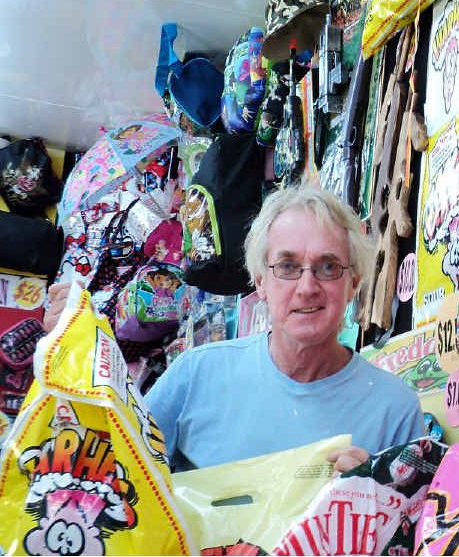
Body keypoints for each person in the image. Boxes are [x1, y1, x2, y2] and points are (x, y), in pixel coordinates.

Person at [44, 184, 424, 473]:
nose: (307, 286)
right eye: (288, 266)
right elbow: (117, 475)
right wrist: (71, 357)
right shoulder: (196, 377)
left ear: (353, 283)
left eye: (328, 267)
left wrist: (374, 503)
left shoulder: (396, 412)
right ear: (260, 283)